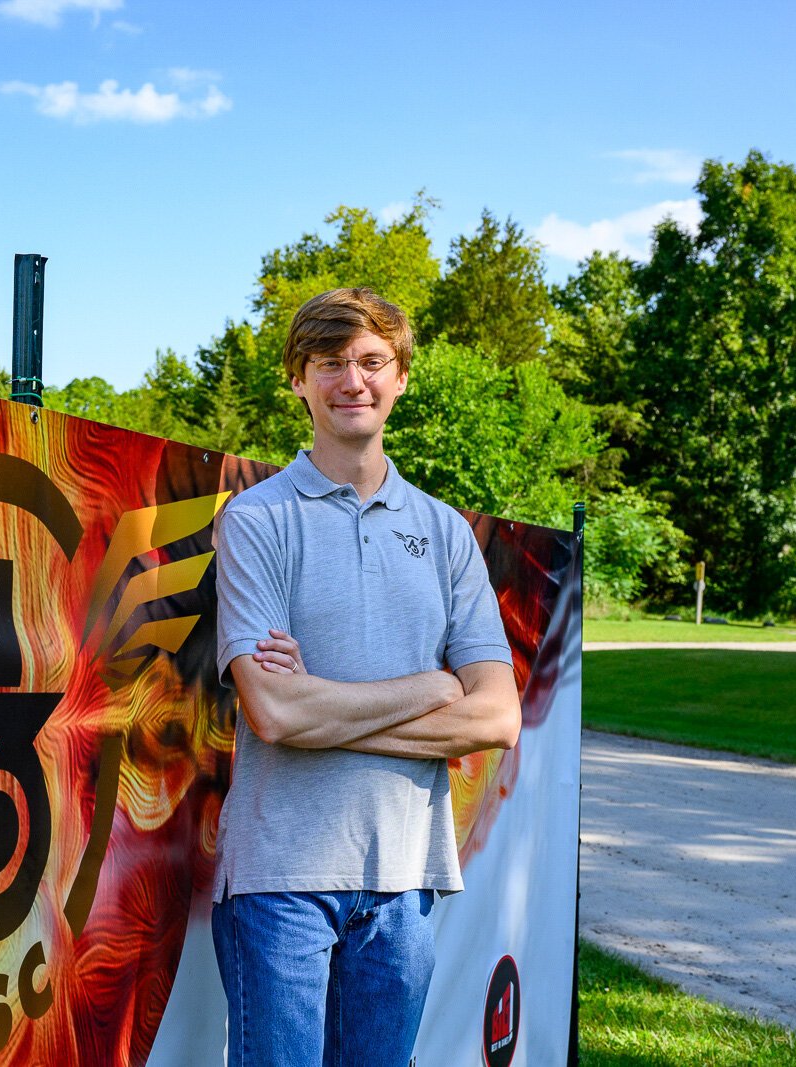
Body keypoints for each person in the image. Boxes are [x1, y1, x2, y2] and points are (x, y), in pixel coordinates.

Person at [211, 287, 521, 1067]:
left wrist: (328, 705)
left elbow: (496, 717)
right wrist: (428, 687)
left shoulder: (446, 532)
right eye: (330, 363)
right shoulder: (256, 520)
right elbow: (276, 712)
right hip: (279, 879)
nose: (353, 380)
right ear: (298, 380)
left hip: (405, 880)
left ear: (401, 377)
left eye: (372, 361)